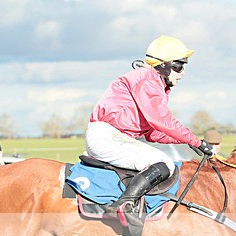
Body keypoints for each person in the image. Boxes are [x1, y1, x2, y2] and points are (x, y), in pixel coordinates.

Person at [85, 35, 214, 223]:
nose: (182, 72)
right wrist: (195, 140)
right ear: (163, 66)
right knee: (165, 163)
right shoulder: (148, 79)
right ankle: (123, 205)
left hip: (110, 137)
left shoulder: (151, 82)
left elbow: (153, 133)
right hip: (107, 137)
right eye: (178, 66)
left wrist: (186, 141)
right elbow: (162, 120)